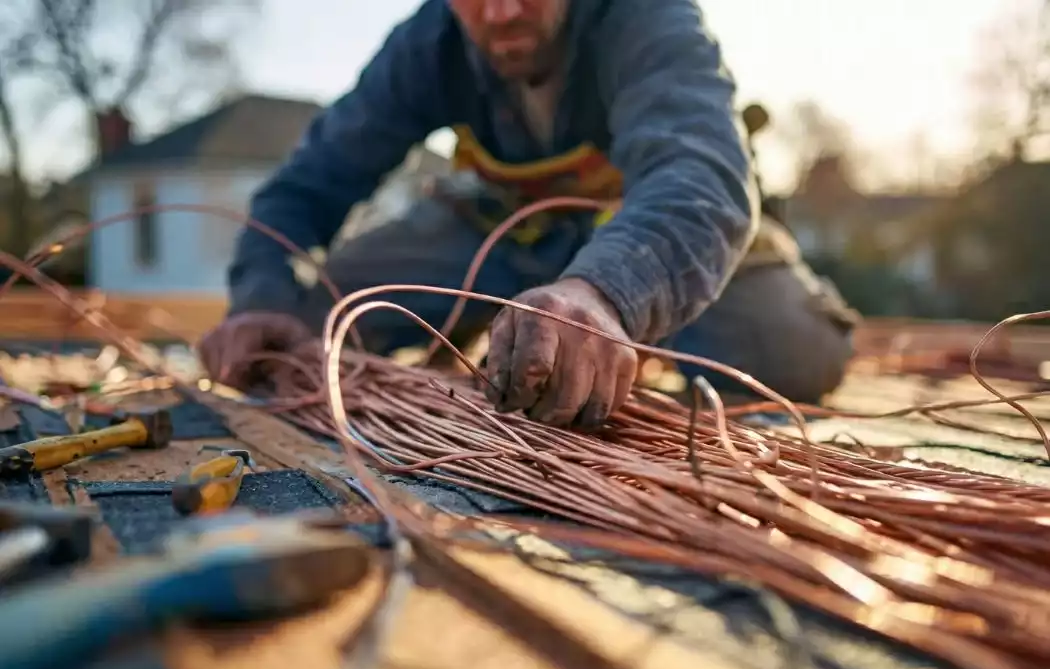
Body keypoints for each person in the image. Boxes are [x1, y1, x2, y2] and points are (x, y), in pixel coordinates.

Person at [198, 0, 859, 429]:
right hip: (498, 233)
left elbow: (701, 174)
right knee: (310, 326)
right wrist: (261, 296)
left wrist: (606, 294)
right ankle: (531, 313)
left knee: (793, 352)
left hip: (640, 237)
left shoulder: (648, 17)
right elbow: (304, 189)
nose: (503, 11)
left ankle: (612, 322)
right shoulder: (426, 44)